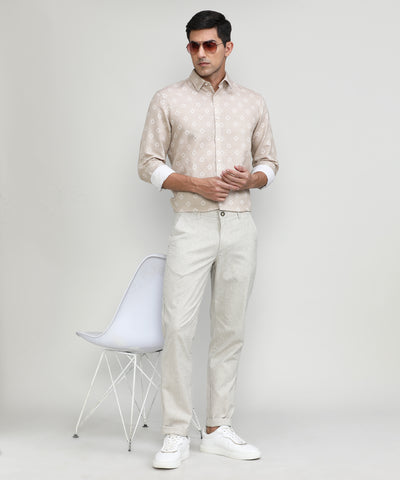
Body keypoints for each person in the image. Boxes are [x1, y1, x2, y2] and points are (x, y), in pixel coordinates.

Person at [138, 10, 278, 469]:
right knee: (178, 328)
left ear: (227, 47)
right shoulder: (168, 99)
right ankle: (175, 433)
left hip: (239, 225)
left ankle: (218, 429)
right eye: (194, 45)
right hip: (191, 224)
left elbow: (270, 162)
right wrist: (195, 183)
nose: (201, 53)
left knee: (229, 330)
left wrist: (251, 179)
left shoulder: (253, 102)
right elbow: (148, 163)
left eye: (210, 45)